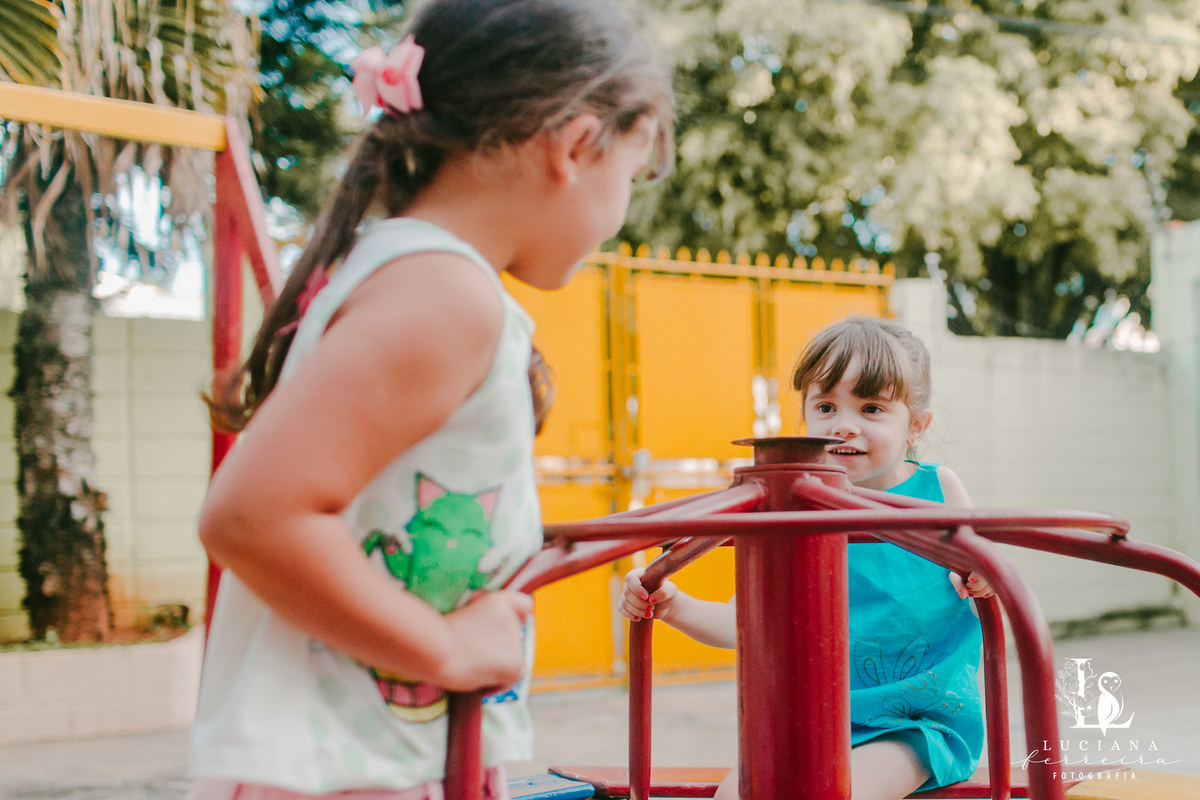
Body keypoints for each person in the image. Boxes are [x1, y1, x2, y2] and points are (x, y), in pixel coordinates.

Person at [191, 1, 675, 797]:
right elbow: (253, 515)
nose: (619, 215)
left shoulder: (409, 272)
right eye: (629, 174)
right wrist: (444, 650)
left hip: (369, 759)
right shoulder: (444, 294)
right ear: (577, 145)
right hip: (345, 771)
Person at [619, 317, 995, 800]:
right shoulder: (797, 507)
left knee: (842, 793)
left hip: (915, 723)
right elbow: (744, 624)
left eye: (871, 408)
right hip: (817, 722)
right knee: (734, 796)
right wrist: (671, 604)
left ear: (915, 426)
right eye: (825, 405)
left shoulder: (938, 489)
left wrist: (979, 576)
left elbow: (984, 569)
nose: (844, 423)